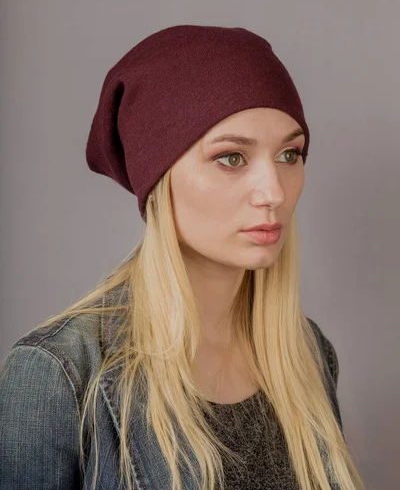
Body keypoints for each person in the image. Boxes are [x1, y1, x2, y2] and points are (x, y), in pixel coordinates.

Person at [0, 25, 365, 490]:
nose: (274, 192)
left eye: (290, 154)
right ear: (159, 178)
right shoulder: (58, 374)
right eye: (231, 158)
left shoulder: (306, 353)